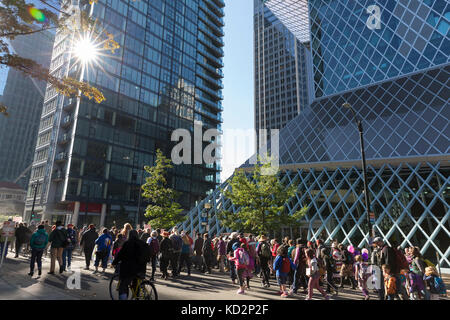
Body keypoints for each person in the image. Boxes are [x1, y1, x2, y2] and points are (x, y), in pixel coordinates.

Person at [111, 230, 149, 300]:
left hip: (129, 269)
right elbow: (147, 256)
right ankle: (137, 296)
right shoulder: (143, 243)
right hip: (141, 269)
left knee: (123, 285)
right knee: (136, 284)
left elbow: (120, 255)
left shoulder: (127, 244)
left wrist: (114, 262)